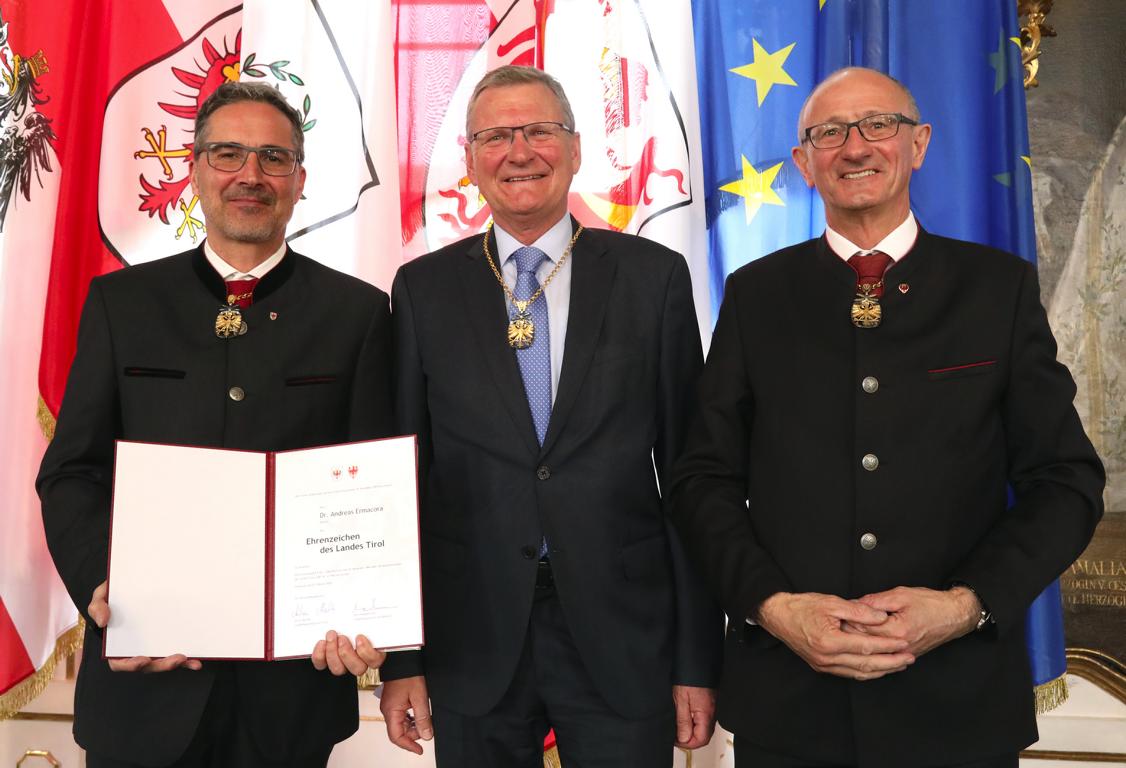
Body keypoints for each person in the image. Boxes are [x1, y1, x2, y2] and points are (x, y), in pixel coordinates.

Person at [670, 67, 1105, 768]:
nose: (854, 146)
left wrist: (966, 605)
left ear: (920, 144)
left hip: (956, 703)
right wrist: (774, 607)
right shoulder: (756, 295)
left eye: (878, 125)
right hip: (789, 703)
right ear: (804, 163)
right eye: (828, 133)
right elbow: (702, 480)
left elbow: (1067, 482)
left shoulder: (998, 291)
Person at [37, 81, 392, 768]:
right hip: (145, 684)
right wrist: (106, 589)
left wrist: (369, 611)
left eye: (272, 157)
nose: (249, 175)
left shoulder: (357, 315)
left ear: (300, 180)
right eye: (227, 154)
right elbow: (72, 472)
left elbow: (372, 488)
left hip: (291, 691)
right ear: (194, 169)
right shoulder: (122, 305)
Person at [375, 65, 722, 767]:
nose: (519, 151)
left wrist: (697, 657)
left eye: (539, 130)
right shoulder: (422, 291)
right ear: (470, 161)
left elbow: (691, 474)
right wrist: (401, 659)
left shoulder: (652, 279)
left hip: (623, 633)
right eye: (496, 136)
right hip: (470, 637)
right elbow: (403, 483)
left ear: (576, 148)